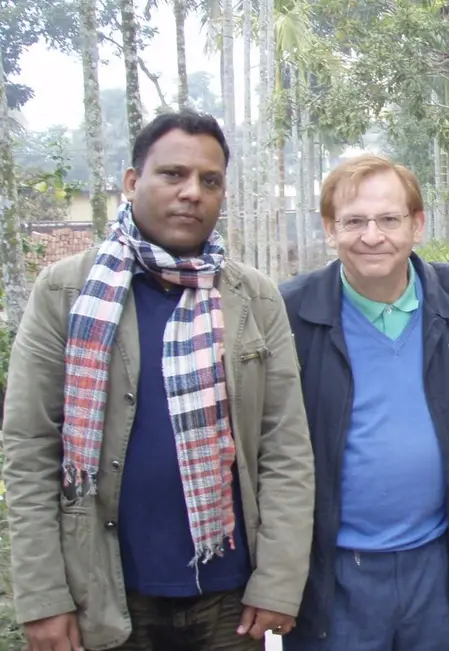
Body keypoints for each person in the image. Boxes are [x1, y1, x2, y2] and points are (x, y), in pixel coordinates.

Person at [1, 110, 315, 651]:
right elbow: (29, 448)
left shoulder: (254, 298)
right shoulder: (66, 292)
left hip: (227, 600)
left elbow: (284, 447)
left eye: (209, 181)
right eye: (173, 174)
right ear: (131, 182)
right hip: (104, 593)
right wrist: (43, 596)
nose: (192, 192)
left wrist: (279, 581)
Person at [279, 154, 449, 651]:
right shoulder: (293, 311)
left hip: (434, 561)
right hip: (334, 568)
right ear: (330, 228)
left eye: (388, 219)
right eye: (353, 221)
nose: (372, 235)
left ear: (417, 225)